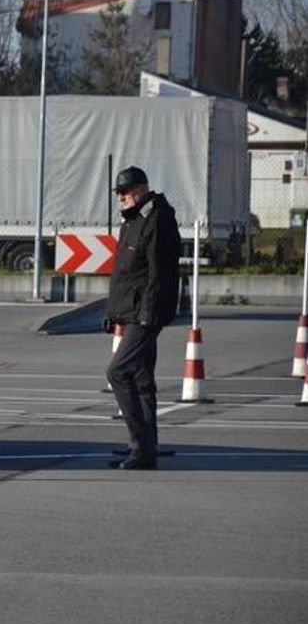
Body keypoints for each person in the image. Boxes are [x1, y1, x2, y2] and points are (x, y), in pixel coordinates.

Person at [104, 166, 182, 470]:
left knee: (118, 372)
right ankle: (145, 448)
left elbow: (158, 273)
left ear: (139, 190)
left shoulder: (157, 219)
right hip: (132, 311)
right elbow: (126, 274)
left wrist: (149, 314)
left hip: (147, 313)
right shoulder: (133, 221)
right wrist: (114, 314)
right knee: (141, 378)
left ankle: (141, 445)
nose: (120, 199)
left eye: (124, 193)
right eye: (119, 194)